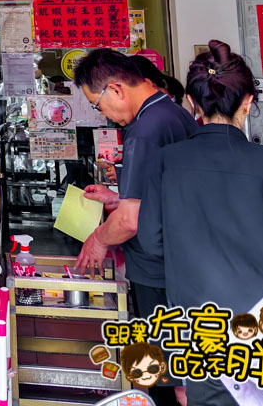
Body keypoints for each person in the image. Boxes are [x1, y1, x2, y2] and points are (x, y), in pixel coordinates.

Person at [137, 40, 263, 406]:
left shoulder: (166, 162)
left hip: (199, 330)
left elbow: (151, 242)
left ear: (193, 103)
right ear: (248, 102)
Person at [73, 49, 196, 406]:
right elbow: (162, 194)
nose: (104, 115)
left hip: (160, 269)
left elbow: (130, 220)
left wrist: (98, 239)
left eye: (97, 104)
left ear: (115, 89)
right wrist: (118, 198)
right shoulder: (171, 113)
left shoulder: (143, 130)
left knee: (170, 377)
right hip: (182, 261)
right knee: (181, 367)